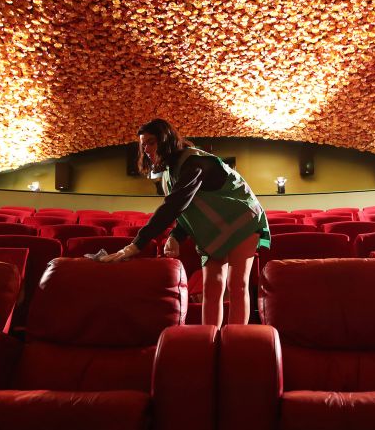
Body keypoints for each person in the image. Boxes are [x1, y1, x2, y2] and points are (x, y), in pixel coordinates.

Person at [101, 118, 271, 327]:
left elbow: (175, 205)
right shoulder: (170, 173)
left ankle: (235, 341)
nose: (146, 149)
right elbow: (190, 209)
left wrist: (136, 245)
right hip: (216, 229)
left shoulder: (193, 162)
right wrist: (175, 236)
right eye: (143, 144)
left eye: (151, 142)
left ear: (166, 140)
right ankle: (210, 339)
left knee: (237, 285)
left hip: (243, 220)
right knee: (211, 286)